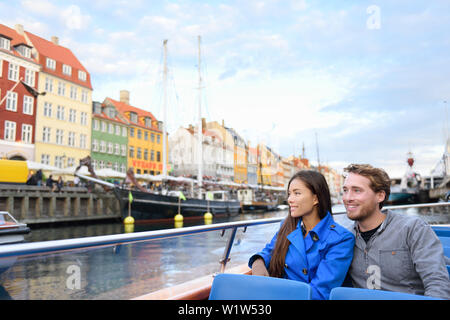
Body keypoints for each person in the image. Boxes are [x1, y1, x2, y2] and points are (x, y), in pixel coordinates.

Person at [342, 164, 450, 299]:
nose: (347, 198)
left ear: (380, 196)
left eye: (357, 190)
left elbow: (437, 283)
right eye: (345, 190)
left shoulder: (412, 229)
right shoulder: (344, 238)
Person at [249, 170, 355, 300]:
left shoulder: (341, 239)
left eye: (297, 193)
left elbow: (320, 293)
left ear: (315, 198)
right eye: (289, 194)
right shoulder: (288, 226)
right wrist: (258, 263)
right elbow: (269, 251)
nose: (289, 200)